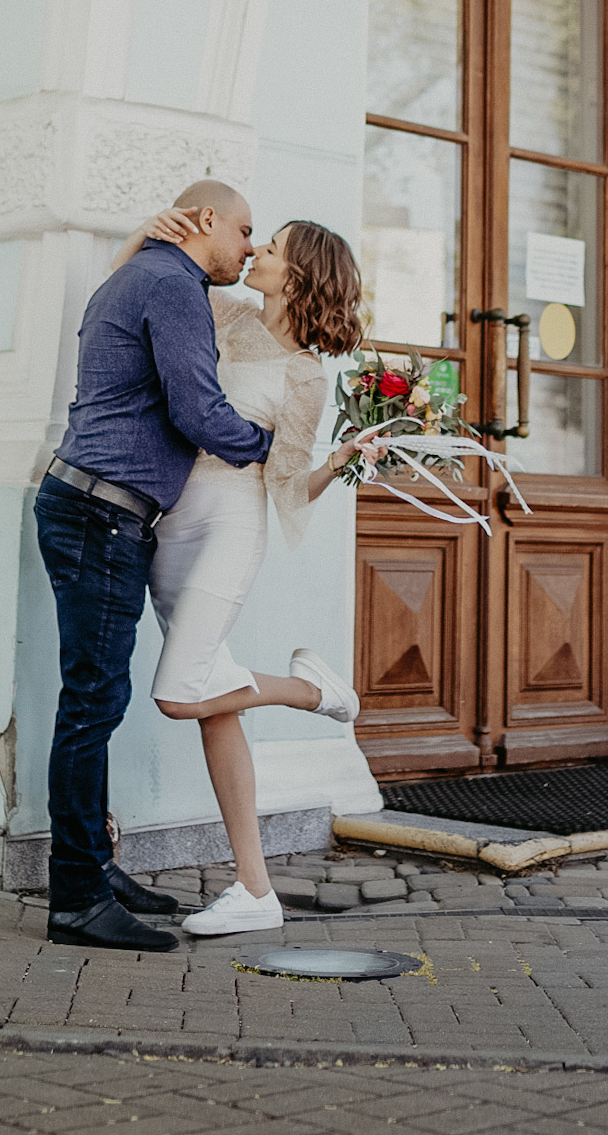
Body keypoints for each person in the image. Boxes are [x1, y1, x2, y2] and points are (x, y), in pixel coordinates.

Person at [110, 208, 382, 937]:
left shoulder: (305, 374)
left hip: (231, 526)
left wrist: (345, 457)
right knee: (213, 700)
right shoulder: (224, 311)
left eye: (273, 248)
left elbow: (288, 483)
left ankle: (312, 690)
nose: (254, 251)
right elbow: (127, 284)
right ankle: (255, 889)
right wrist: (150, 230)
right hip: (170, 521)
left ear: (297, 275)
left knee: (179, 694)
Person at [34, 179, 275, 953]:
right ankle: (75, 894)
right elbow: (199, 411)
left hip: (92, 507)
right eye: (243, 230)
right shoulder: (174, 285)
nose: (247, 246)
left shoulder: (135, 273)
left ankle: (96, 867)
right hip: (102, 514)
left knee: (94, 697)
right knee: (92, 705)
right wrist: (279, 447)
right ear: (205, 218)